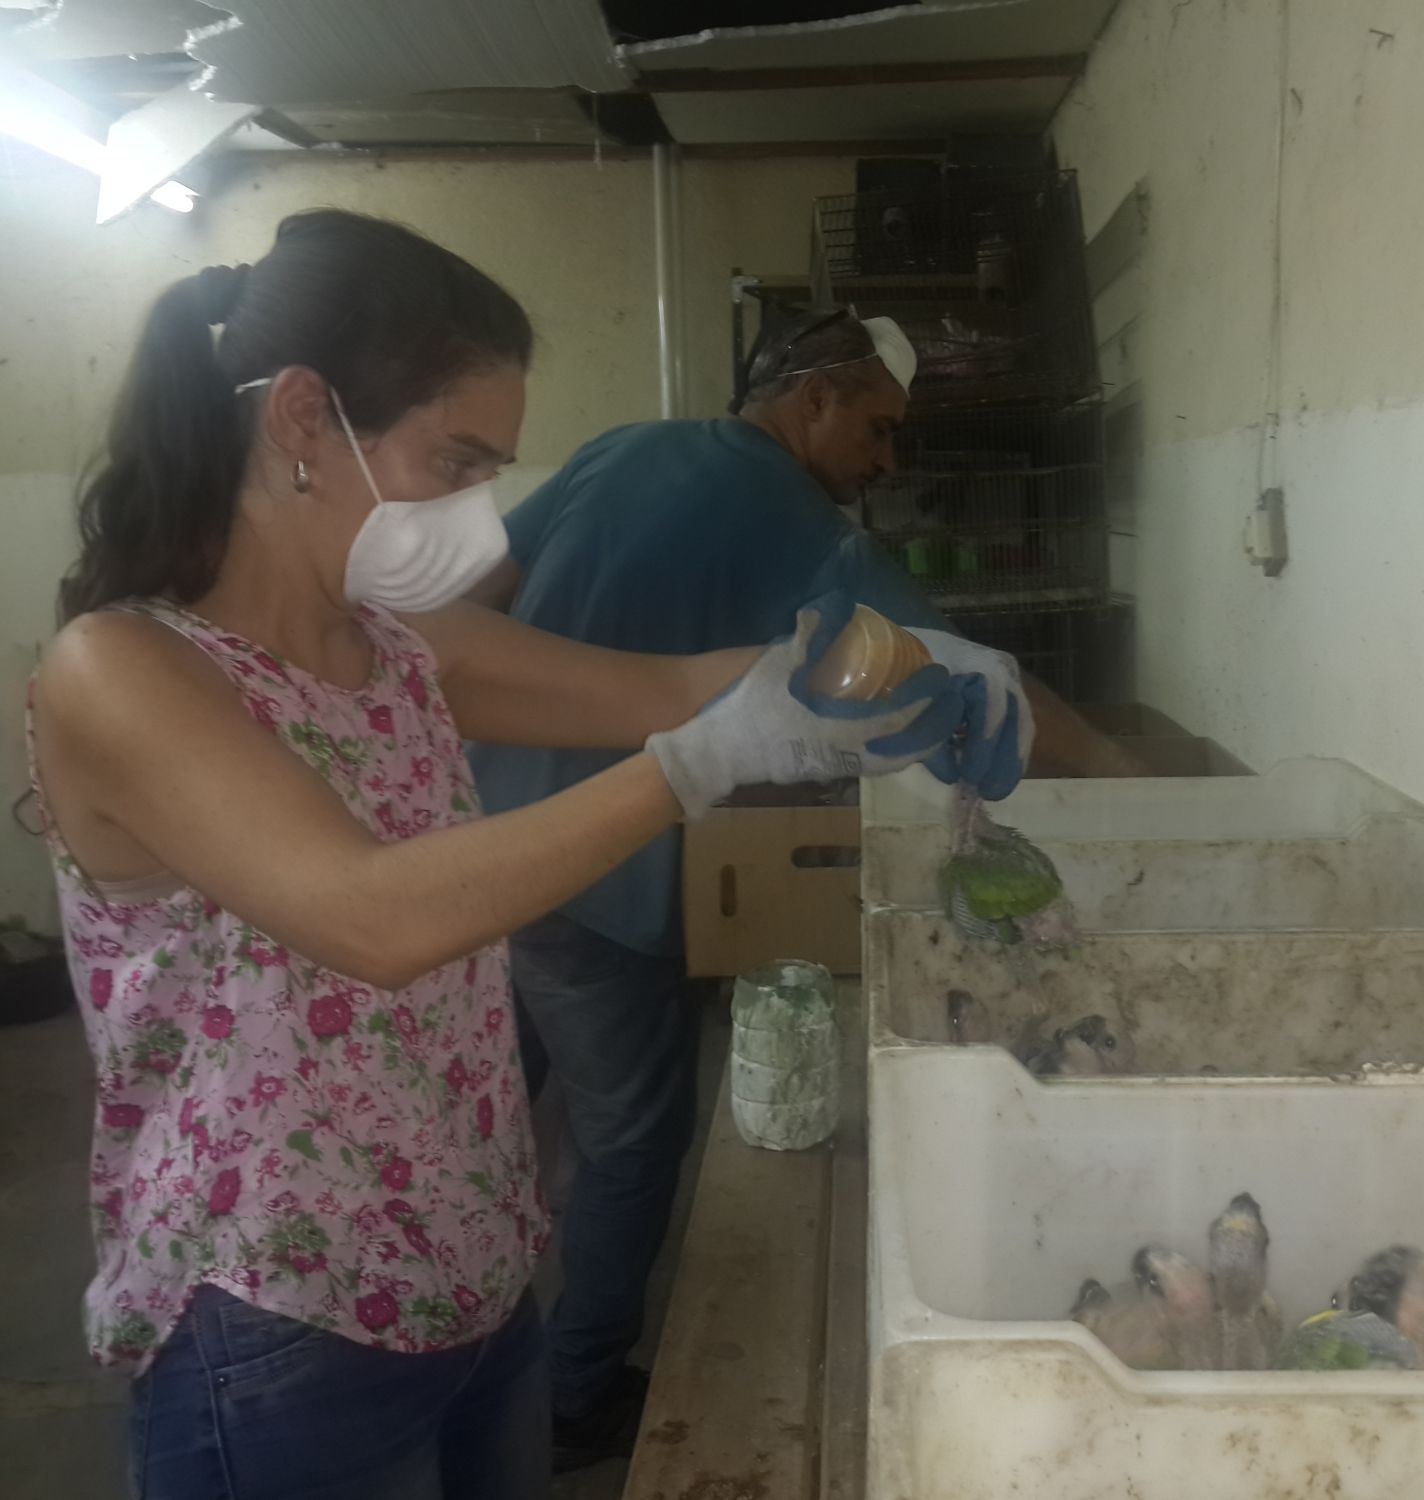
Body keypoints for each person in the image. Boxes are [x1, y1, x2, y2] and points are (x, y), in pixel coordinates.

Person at [24, 210, 1019, 1500]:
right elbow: (371, 917)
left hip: (474, 1270)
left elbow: (667, 686)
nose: (478, 519)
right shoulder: (122, 669)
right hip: (276, 1314)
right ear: (304, 419)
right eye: (455, 461)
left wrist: (897, 665)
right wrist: (698, 764)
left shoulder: (397, 644)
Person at [466, 306, 1143, 1467]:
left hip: (486, 839)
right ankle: (574, 1395)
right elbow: (968, 680)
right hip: (604, 874)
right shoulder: (804, 527)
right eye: (877, 428)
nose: (885, 460)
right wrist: (1124, 772)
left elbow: (481, 593)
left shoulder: (620, 448)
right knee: (630, 1140)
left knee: (484, 1111)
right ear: (813, 399)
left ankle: (471, 1350)